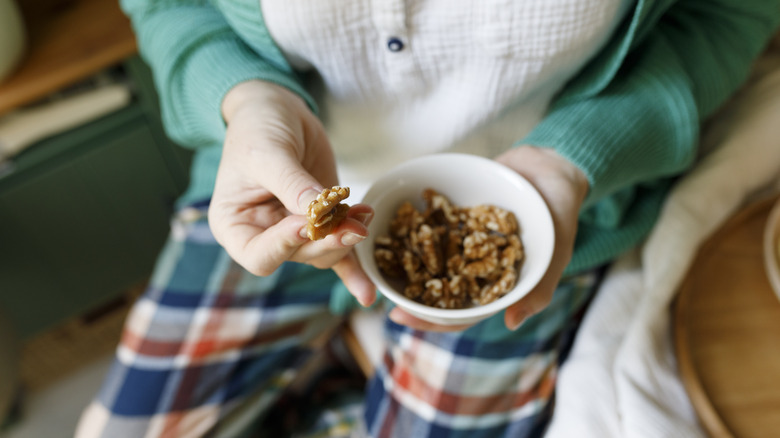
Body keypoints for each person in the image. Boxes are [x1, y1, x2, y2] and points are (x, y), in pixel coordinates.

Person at [76, 1, 779, 437]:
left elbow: (726, 15)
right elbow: (169, 6)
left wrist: (576, 158)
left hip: (550, 208)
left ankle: (331, 388)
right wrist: (245, 99)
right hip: (275, 186)